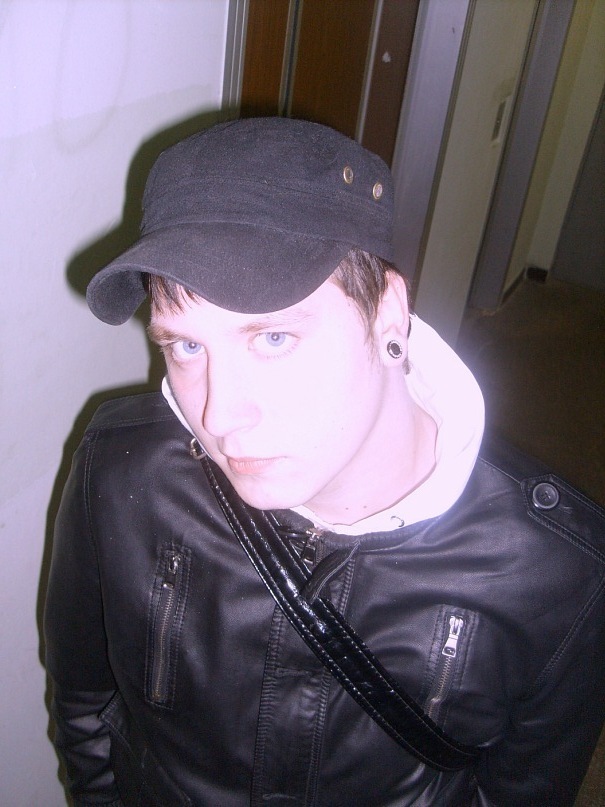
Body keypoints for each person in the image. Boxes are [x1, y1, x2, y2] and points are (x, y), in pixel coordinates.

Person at [45, 117, 605, 807]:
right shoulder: (121, 469)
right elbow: (86, 708)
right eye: (186, 346)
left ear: (387, 313)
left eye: (273, 337)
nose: (219, 416)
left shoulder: (558, 574)